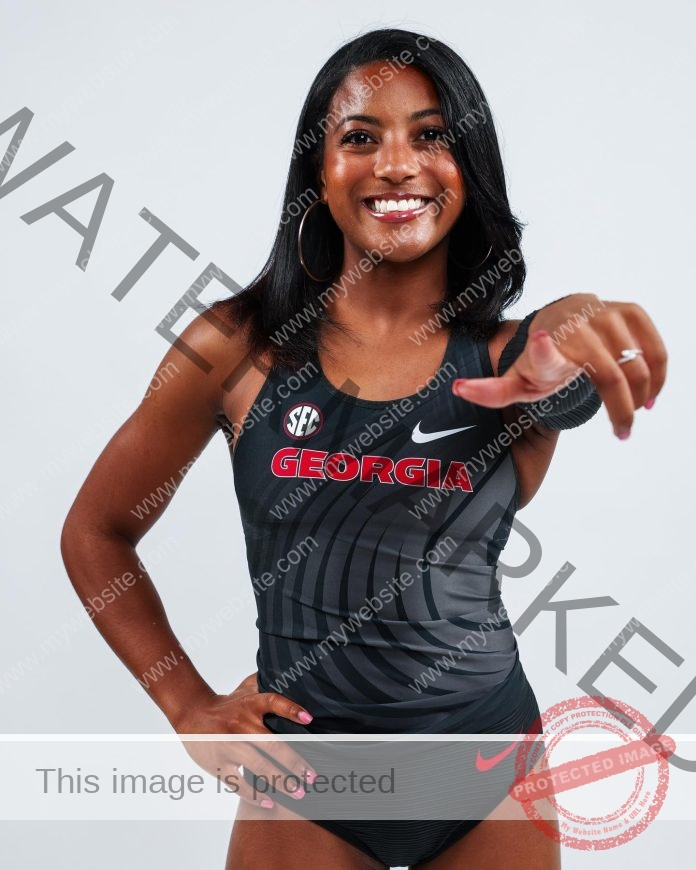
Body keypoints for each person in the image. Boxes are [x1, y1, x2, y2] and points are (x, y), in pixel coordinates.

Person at [60, 28, 667, 870]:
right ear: (319, 170)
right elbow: (96, 530)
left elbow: (557, 362)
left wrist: (574, 321)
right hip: (303, 782)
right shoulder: (236, 348)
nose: (396, 165)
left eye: (431, 135)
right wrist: (187, 706)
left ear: (471, 167)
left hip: (486, 770)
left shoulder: (505, 365)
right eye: (359, 137)